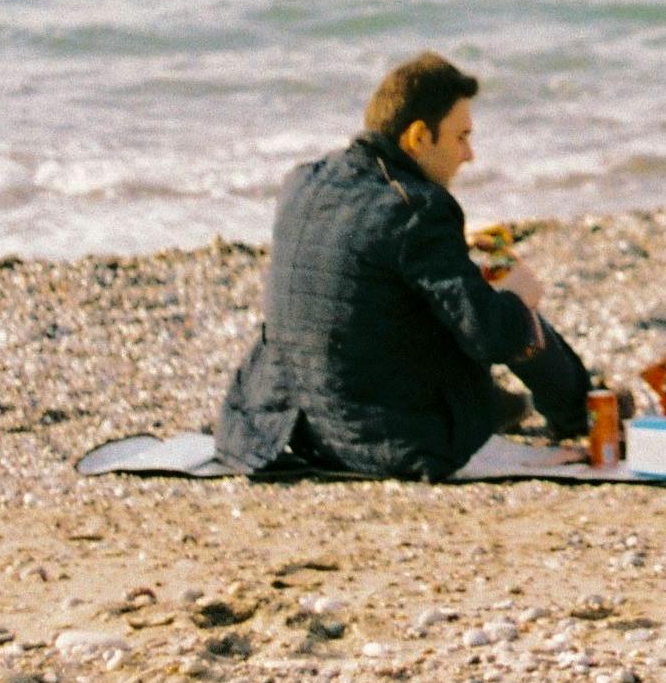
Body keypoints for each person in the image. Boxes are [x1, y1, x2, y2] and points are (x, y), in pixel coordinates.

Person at [213, 52, 599, 480]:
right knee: (507, 306)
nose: (469, 155)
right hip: (386, 438)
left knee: (464, 295)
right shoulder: (417, 206)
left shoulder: (304, 180)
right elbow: (489, 335)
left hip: (282, 426)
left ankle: (535, 405)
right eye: (461, 137)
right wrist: (520, 296)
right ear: (417, 137)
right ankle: (584, 413)